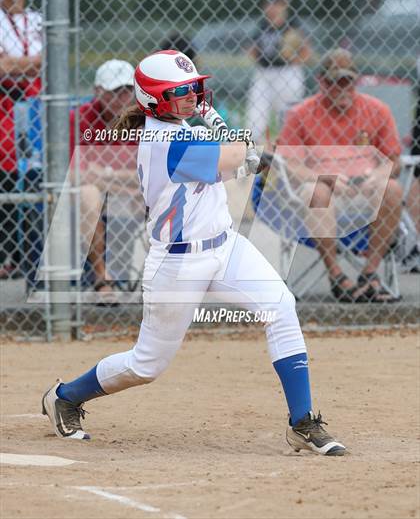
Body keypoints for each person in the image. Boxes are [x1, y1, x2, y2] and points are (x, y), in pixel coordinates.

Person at [41, 49, 346, 457]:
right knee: (146, 365)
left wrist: (242, 150)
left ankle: (302, 421)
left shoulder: (182, 125)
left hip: (226, 245)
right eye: (181, 91)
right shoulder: (163, 141)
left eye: (193, 88)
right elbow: (234, 157)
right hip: (178, 262)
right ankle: (65, 396)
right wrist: (244, 150)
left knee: (281, 306)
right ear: (155, 100)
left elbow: (234, 156)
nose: (192, 96)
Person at [277, 48, 403, 303]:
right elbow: (290, 164)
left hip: (366, 192)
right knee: (318, 192)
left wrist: (378, 175)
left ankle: (369, 273)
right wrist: (323, 177)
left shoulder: (377, 110)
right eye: (334, 82)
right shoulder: (300, 114)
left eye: (348, 81)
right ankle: (336, 275)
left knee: (392, 188)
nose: (342, 87)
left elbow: (394, 160)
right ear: (321, 82)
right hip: (321, 192)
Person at [69, 59, 139, 296]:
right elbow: (77, 174)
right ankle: (101, 276)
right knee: (89, 194)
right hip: (98, 193)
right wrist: (123, 181)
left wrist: (105, 174)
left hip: (131, 193)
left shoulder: (143, 119)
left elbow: (148, 173)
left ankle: (164, 279)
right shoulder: (79, 117)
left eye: (127, 92)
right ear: (97, 91)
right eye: (113, 92)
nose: (120, 99)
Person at [0, 0, 42, 278]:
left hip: (37, 102)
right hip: (5, 102)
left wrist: (15, 64)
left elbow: (52, 60)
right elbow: (3, 68)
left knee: (37, 173)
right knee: (6, 170)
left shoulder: (38, 20)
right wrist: (34, 62)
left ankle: (31, 255)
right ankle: (6, 255)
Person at [246, 0, 311, 143]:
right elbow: (252, 49)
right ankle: (255, 160)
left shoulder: (292, 25)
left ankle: (288, 158)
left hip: (287, 73)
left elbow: (307, 52)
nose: (271, 8)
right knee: (255, 120)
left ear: (284, 6)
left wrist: (294, 59)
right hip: (263, 73)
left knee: (287, 119)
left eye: (277, 4)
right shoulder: (262, 25)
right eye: (268, 4)